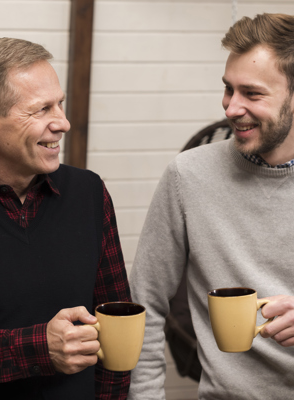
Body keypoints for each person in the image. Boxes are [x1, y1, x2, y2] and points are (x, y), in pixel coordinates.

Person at [128, 13, 294, 400]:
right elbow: (144, 306)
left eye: (251, 94)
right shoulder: (188, 176)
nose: (231, 108)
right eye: (228, 89)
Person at [0, 37, 131, 399]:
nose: (63, 123)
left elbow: (116, 321)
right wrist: (37, 349)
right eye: (41, 109)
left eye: (60, 104)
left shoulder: (88, 192)